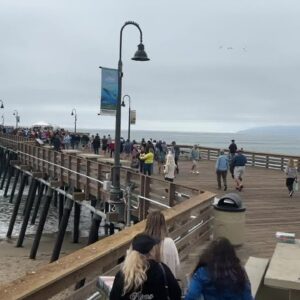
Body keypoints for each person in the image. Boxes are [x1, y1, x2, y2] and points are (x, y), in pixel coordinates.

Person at [110, 233, 181, 300]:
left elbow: (113, 297)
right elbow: (176, 294)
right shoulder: (162, 270)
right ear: (151, 251)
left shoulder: (122, 275)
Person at [185, 237, 253, 300]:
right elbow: (248, 297)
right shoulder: (239, 272)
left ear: (210, 254)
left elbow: (191, 296)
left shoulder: (202, 272)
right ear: (232, 254)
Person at [144, 211, 180, 277]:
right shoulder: (169, 242)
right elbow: (177, 265)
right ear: (163, 224)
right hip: (168, 282)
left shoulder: (144, 243)